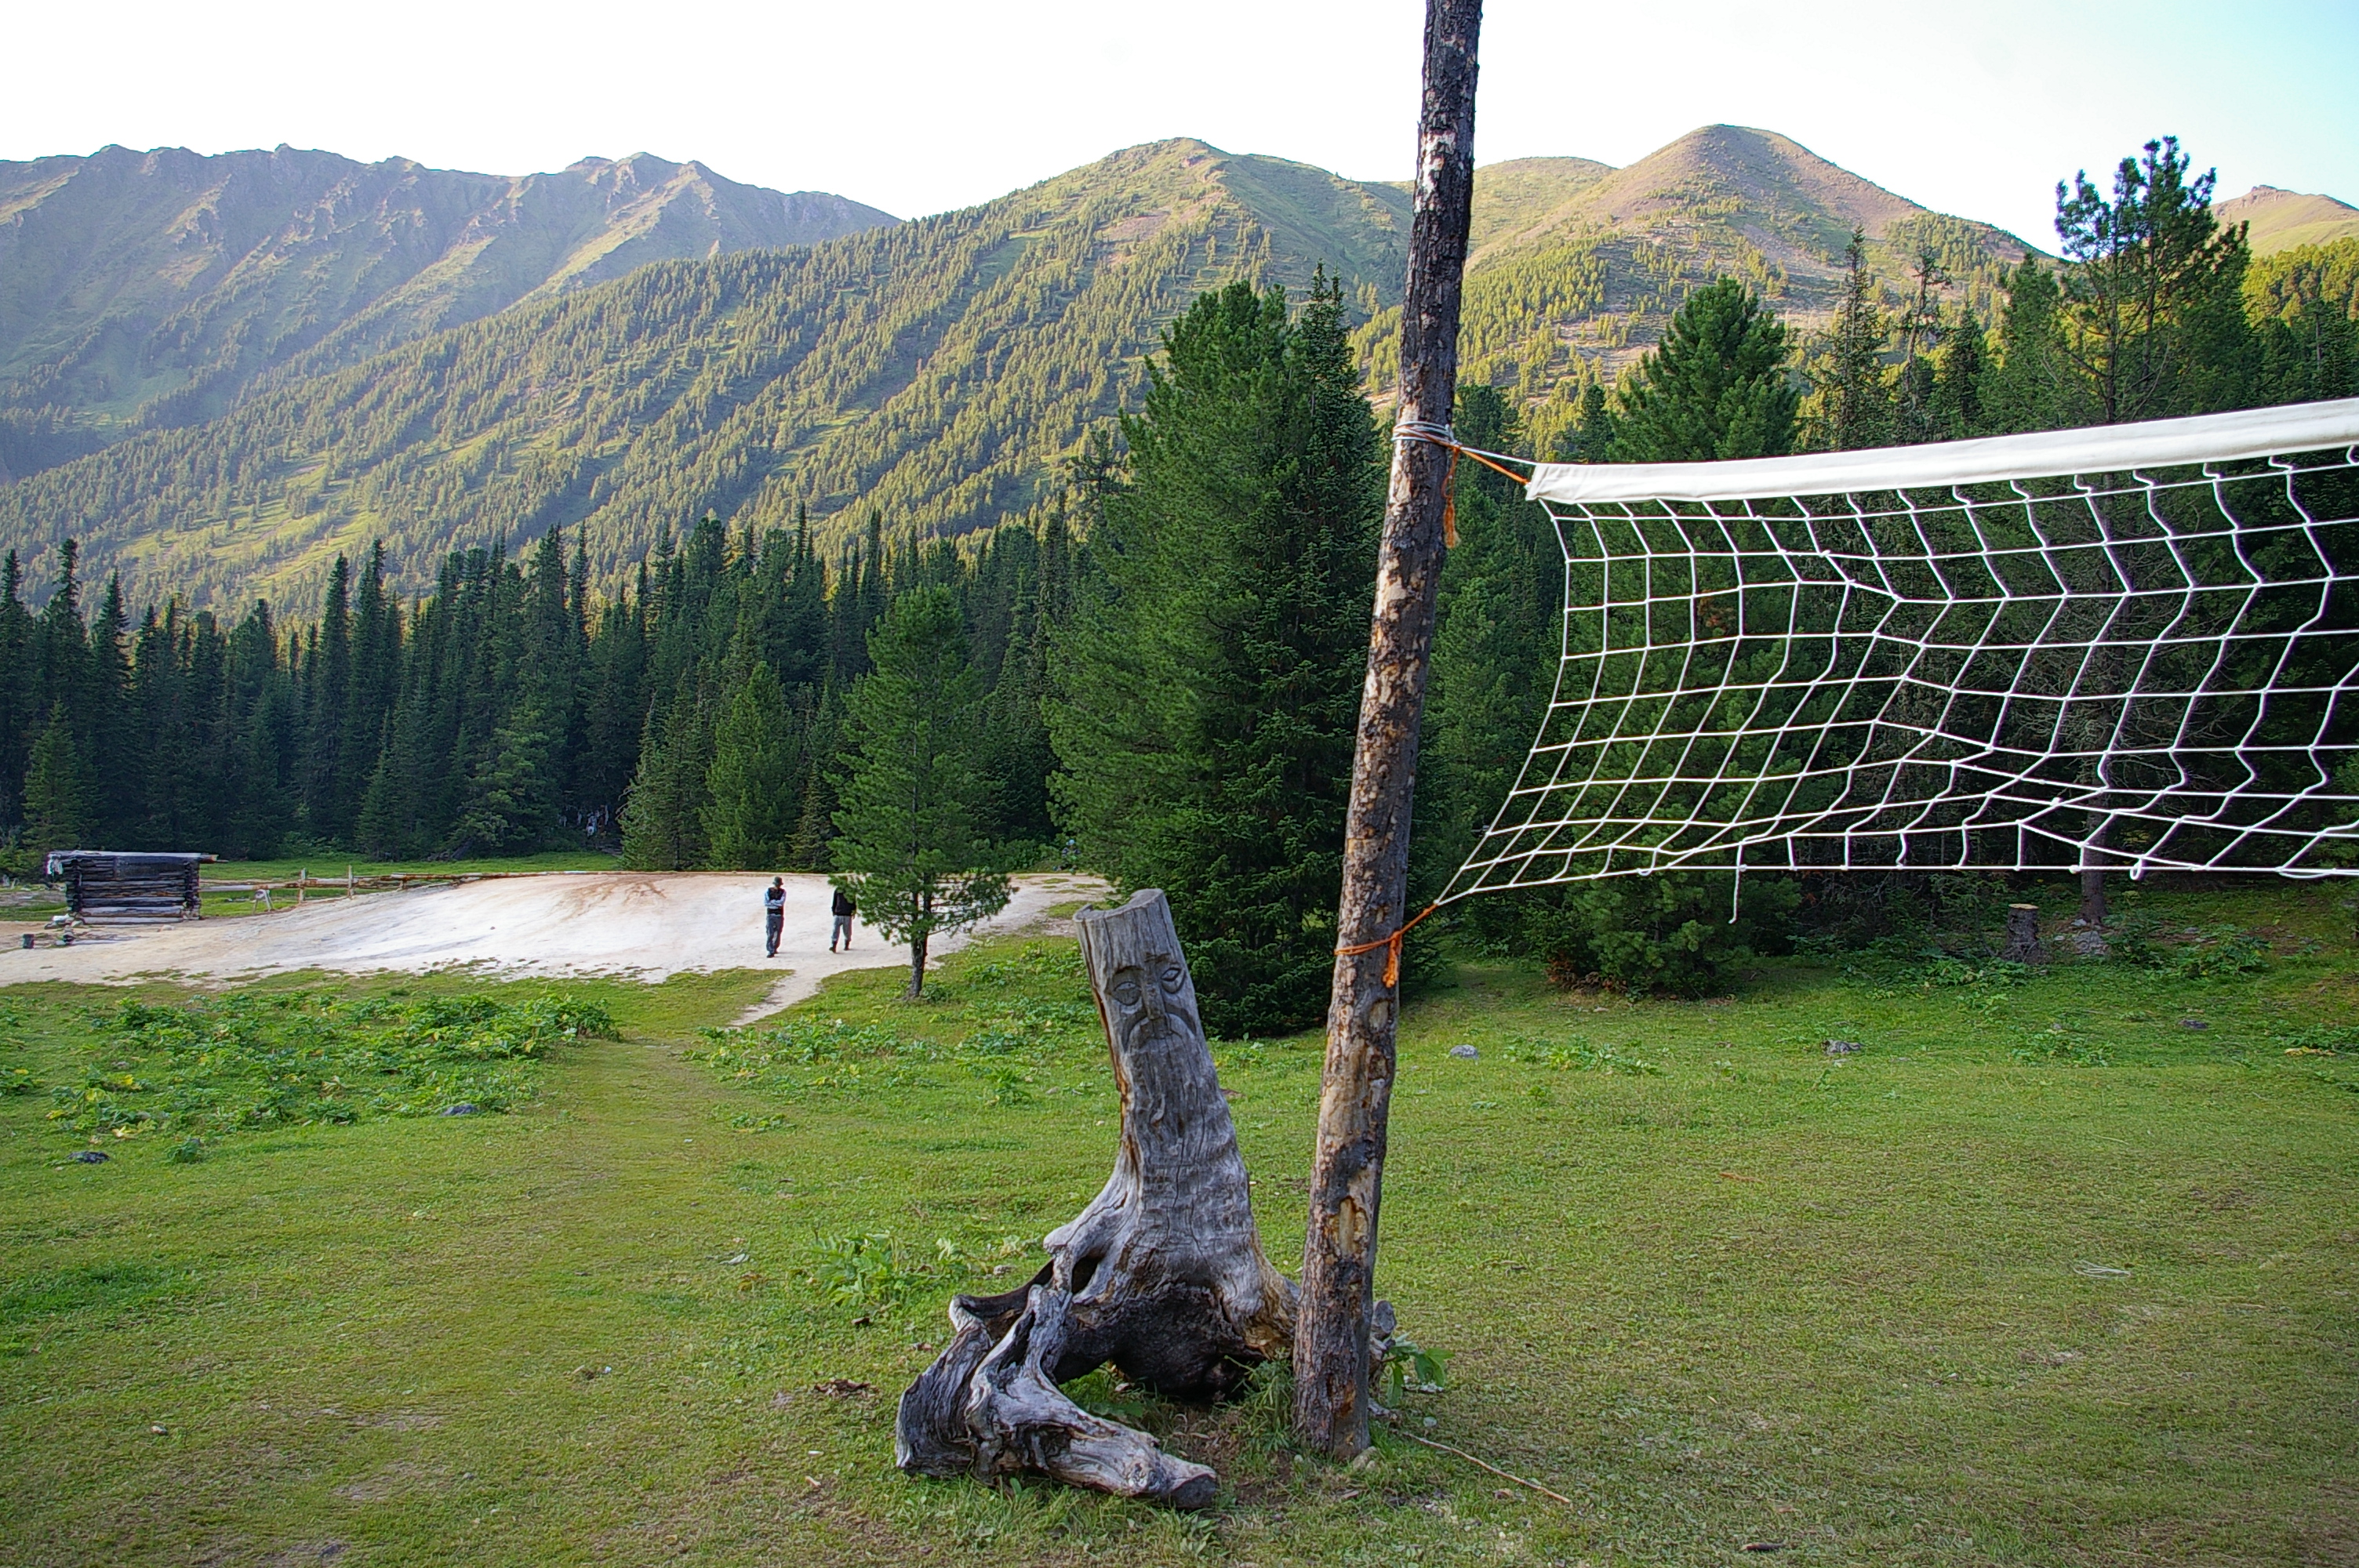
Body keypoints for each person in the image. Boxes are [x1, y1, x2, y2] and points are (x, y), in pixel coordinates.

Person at [763, 877, 786, 958]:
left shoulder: (783, 892)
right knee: (770, 932)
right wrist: (776, 904)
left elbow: (781, 903)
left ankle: (774, 947)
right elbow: (766, 903)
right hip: (771, 914)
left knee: (778, 932)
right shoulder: (768, 891)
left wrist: (772, 903)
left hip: (778, 915)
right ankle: (771, 950)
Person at [830, 884, 856, 952]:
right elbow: (835, 900)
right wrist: (833, 910)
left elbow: (853, 902)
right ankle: (834, 945)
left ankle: (847, 943)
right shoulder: (838, 890)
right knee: (835, 930)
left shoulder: (850, 890)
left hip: (847, 914)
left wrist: (853, 911)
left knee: (847, 931)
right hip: (838, 913)